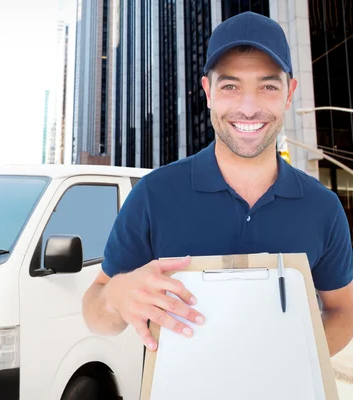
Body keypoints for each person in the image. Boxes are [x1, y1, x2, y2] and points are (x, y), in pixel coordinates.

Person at [82, 11, 353, 357]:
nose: (249, 107)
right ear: (208, 91)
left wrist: (293, 360)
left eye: (268, 86)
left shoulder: (324, 208)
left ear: (289, 94)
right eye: (230, 86)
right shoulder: (153, 195)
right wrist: (117, 295)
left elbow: (344, 310)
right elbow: (95, 311)